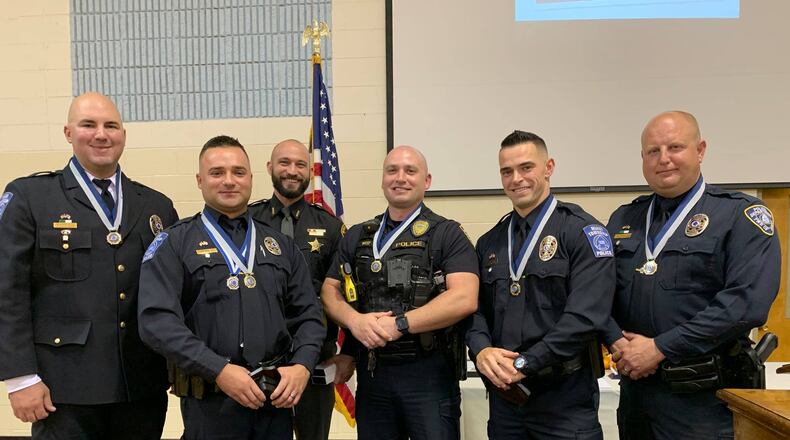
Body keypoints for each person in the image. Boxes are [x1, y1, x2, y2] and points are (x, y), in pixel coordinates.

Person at [0, 92, 178, 439]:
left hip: (140, 386)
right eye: (88, 125)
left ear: (123, 135)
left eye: (111, 125)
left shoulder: (157, 206)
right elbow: (7, 291)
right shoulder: (30, 198)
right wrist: (20, 378)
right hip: (62, 389)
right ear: (68, 133)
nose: (101, 134)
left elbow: (171, 294)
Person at [604, 111, 781, 439]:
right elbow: (598, 294)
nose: (664, 159)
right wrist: (617, 341)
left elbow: (745, 304)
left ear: (700, 150)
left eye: (675, 147)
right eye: (653, 151)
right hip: (637, 398)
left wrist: (659, 348)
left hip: (704, 402)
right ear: (642, 158)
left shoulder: (739, 216)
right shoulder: (624, 219)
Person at [137, 136, 325, 440]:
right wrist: (219, 370)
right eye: (216, 173)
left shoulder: (280, 246)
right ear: (199, 180)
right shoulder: (174, 243)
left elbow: (309, 315)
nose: (229, 181)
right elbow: (156, 322)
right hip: (211, 402)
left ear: (251, 178)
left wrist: (302, 364)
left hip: (274, 400)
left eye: (238, 172)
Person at [321, 145, 479, 440]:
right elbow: (330, 291)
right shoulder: (358, 235)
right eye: (392, 170)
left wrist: (400, 324)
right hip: (374, 374)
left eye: (410, 171)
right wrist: (355, 322)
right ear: (382, 179)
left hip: (428, 376)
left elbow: (464, 297)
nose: (400, 177)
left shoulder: (447, 234)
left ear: (427, 181)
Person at [467, 130, 614, 439]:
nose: (516, 178)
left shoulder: (582, 232)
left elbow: (586, 317)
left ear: (548, 168)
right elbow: (475, 310)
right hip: (507, 399)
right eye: (507, 171)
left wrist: (526, 362)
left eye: (526, 168)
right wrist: (481, 351)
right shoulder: (490, 242)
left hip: (564, 400)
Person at [249, 139, 350, 440]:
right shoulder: (248, 221)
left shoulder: (331, 228)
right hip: (259, 360)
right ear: (270, 167)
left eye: (300, 165)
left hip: (316, 357)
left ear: (310, 171)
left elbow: (346, 294)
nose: (292, 171)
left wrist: (351, 352)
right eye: (284, 163)